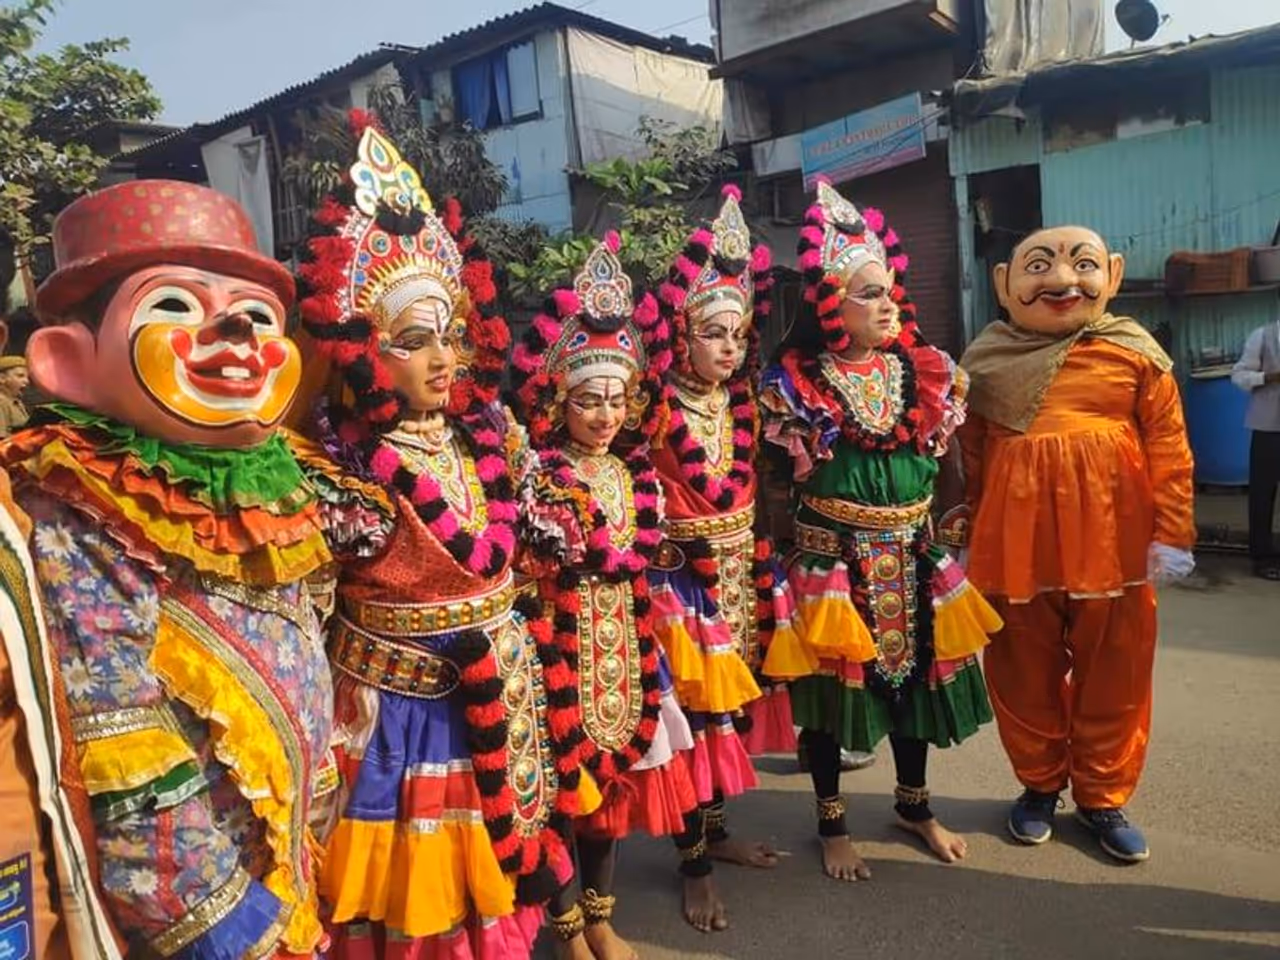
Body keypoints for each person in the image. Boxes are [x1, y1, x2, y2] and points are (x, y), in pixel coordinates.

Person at [1, 180, 337, 957]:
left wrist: (317, 777)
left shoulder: (275, 479)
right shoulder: (76, 505)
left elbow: (302, 634)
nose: (235, 334)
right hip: (198, 896)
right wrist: (212, 912)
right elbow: (114, 723)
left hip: (283, 837)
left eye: (257, 315)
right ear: (68, 362)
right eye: (175, 309)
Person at [294, 118, 581, 958]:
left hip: (504, 694)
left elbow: (546, 526)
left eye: (451, 335)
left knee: (498, 888)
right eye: (414, 342)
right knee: (416, 913)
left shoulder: (489, 434)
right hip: (398, 721)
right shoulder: (335, 458)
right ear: (360, 349)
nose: (444, 359)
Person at [760, 182, 1000, 881]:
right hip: (830, 563)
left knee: (914, 689)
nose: (888, 302)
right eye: (868, 293)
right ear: (830, 304)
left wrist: (951, 531)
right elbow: (777, 481)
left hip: (913, 557)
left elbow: (944, 461)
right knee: (834, 699)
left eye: (890, 288)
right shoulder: (794, 383)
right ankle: (831, 823)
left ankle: (914, 806)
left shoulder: (922, 370)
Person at [960, 225, 1196, 863]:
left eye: (1083, 265)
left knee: (1114, 670)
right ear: (1005, 285)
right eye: (1040, 267)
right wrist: (964, 532)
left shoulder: (1138, 354)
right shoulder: (983, 360)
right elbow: (969, 456)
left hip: (1114, 544)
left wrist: (1172, 532)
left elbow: (1170, 449)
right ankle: (1038, 787)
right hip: (1015, 543)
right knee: (1020, 666)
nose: (1063, 281)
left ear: (1112, 276)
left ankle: (1101, 796)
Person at [513, 233, 698, 960]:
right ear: (559, 400)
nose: (605, 415)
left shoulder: (635, 476)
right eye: (588, 400)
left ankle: (599, 915)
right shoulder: (539, 473)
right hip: (558, 649)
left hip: (625, 646)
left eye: (617, 400)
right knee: (561, 792)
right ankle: (564, 928)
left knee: (612, 791)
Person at [646, 186, 807, 931]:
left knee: (724, 719)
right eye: (714, 334)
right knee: (687, 723)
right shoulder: (648, 404)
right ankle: (694, 867)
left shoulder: (741, 401)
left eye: (740, 335)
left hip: (739, 576)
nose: (730, 348)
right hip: (678, 589)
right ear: (681, 334)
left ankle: (715, 831)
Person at [1231, 317, 1280, 580]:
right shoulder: (1263, 336)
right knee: (1262, 495)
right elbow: (1238, 376)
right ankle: (1262, 558)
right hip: (1268, 428)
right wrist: (1268, 377)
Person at [0, 355, 30, 436]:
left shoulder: (17, 403)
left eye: (27, 377)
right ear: (2, 378)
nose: (26, 381)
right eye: (20, 376)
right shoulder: (2, 403)